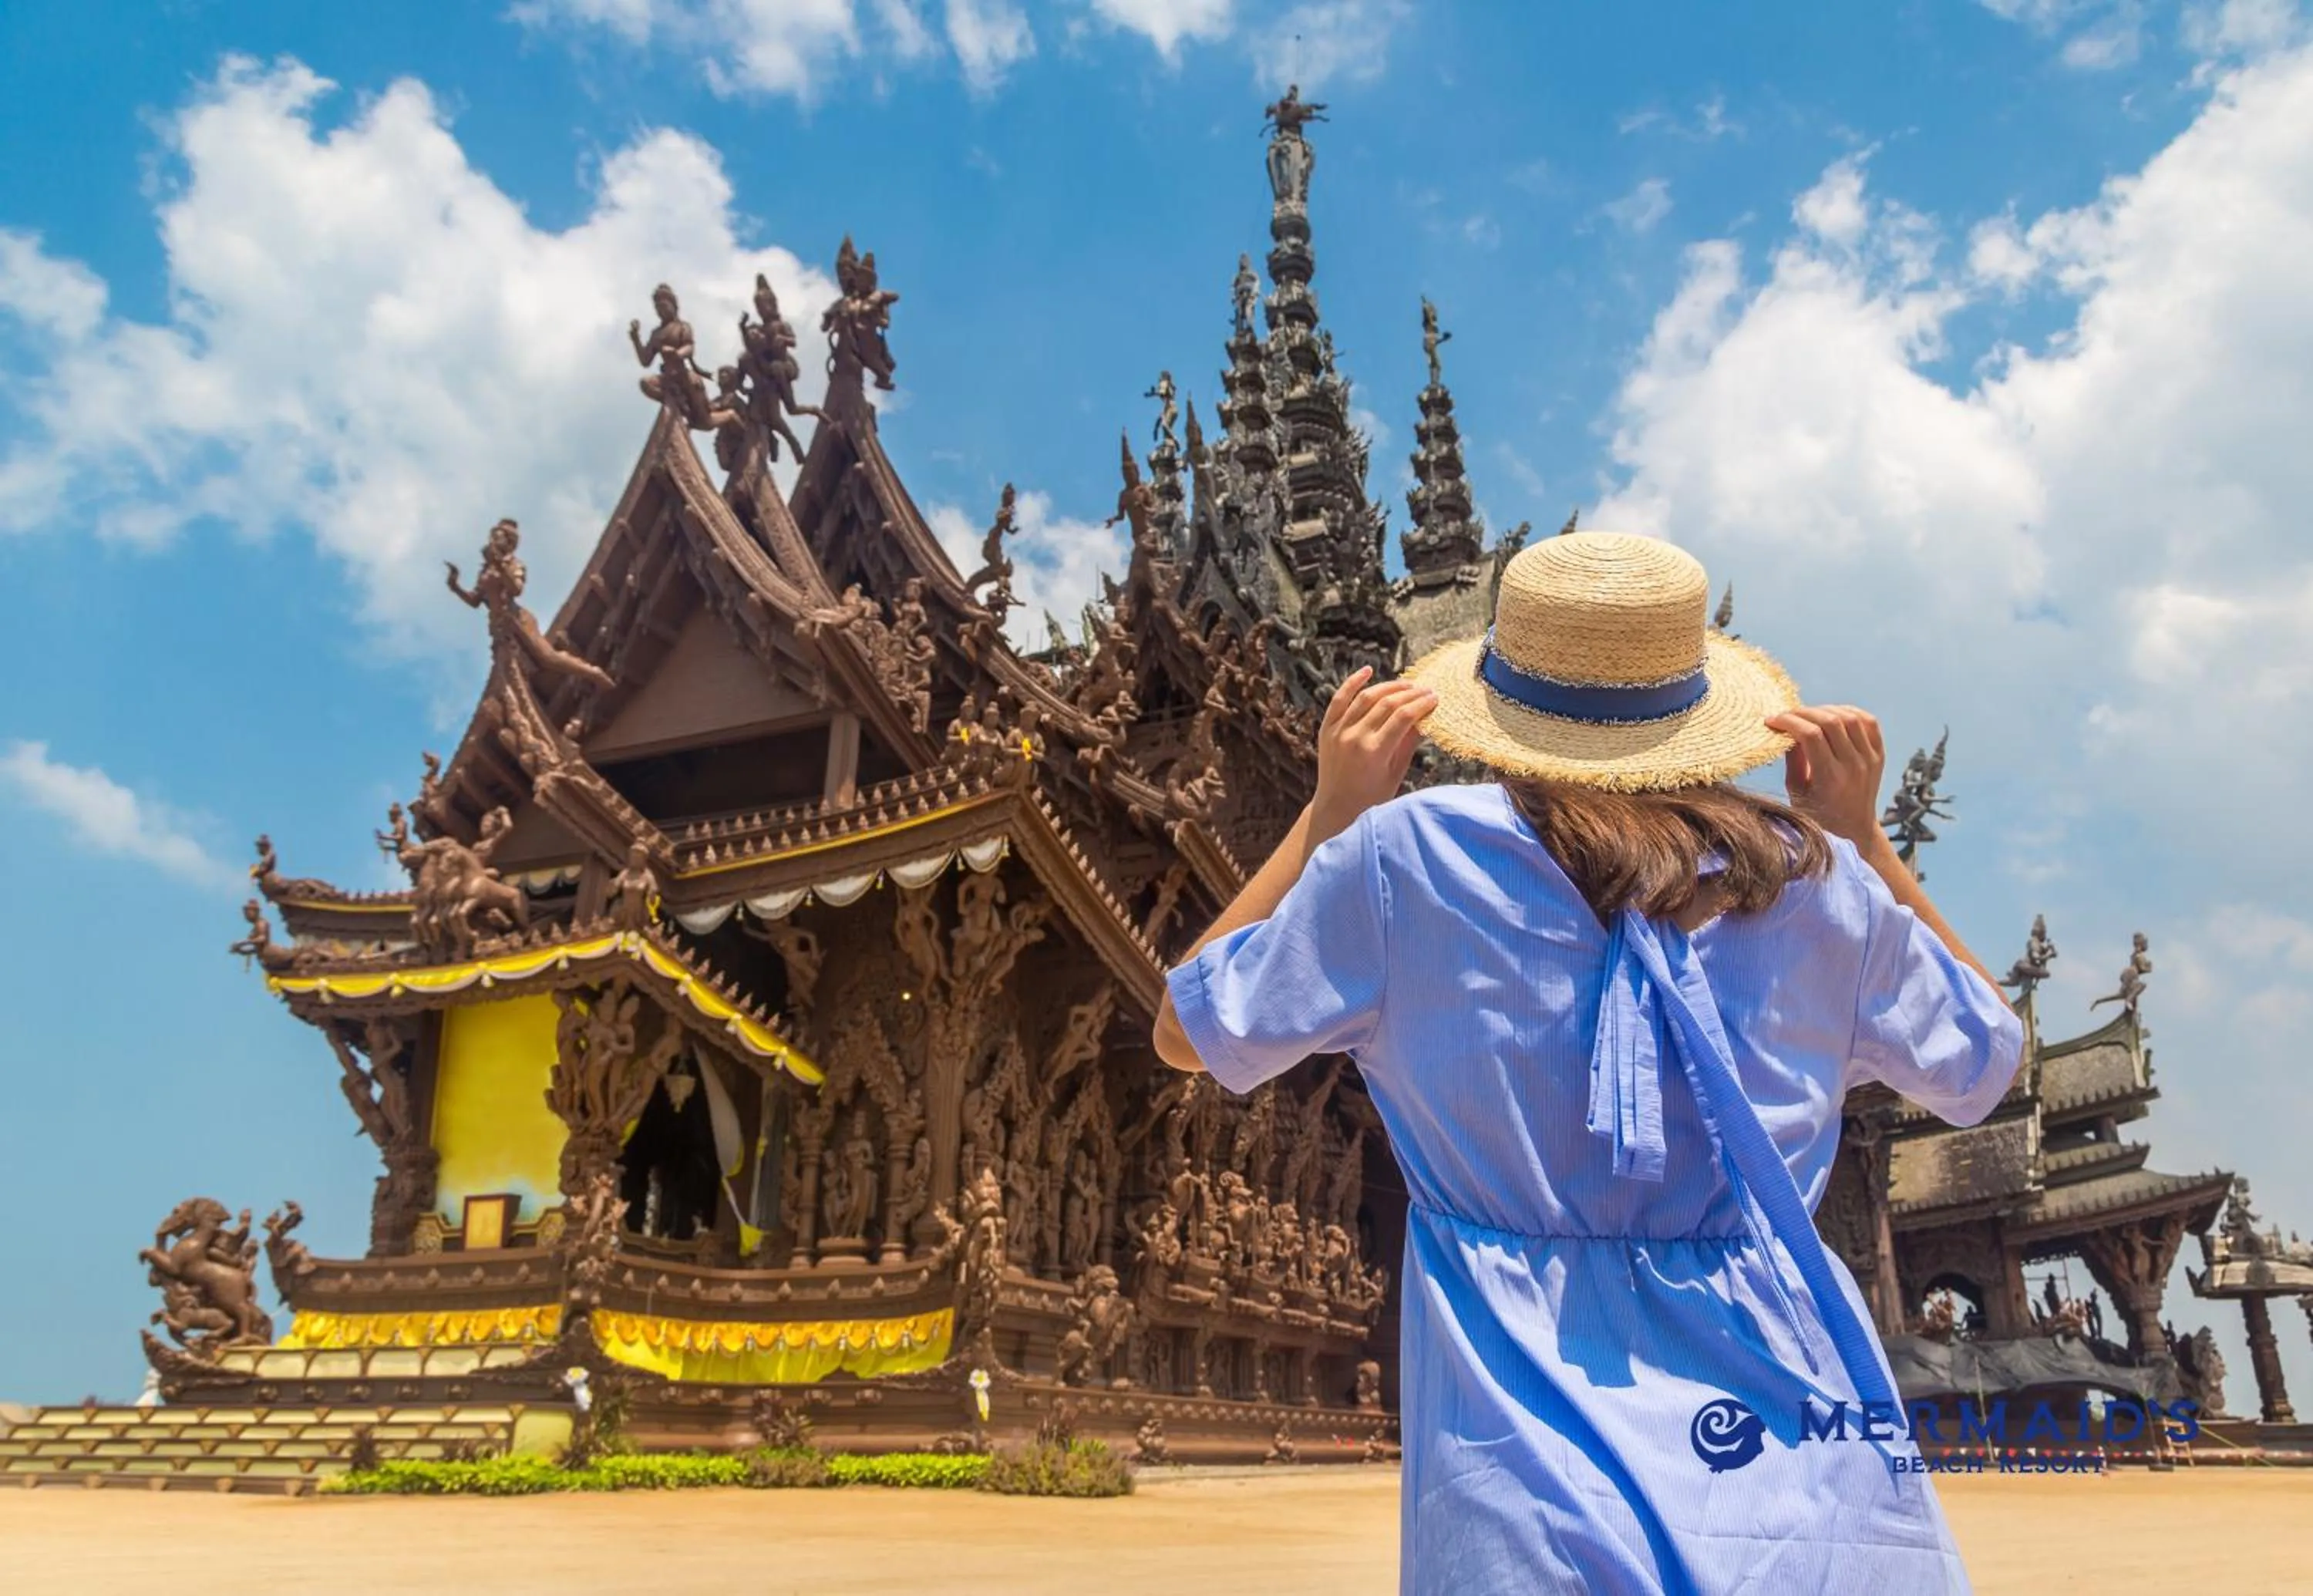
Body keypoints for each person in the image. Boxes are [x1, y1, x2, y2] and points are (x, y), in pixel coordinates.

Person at [1153, 531, 2021, 1594]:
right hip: (1802, 1488)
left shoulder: (1407, 863)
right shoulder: (1819, 888)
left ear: (1503, 708)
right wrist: (1861, 840)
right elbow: (1986, 1056)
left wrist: (1330, 815)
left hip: (1523, 1478)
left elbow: (1185, 1031)